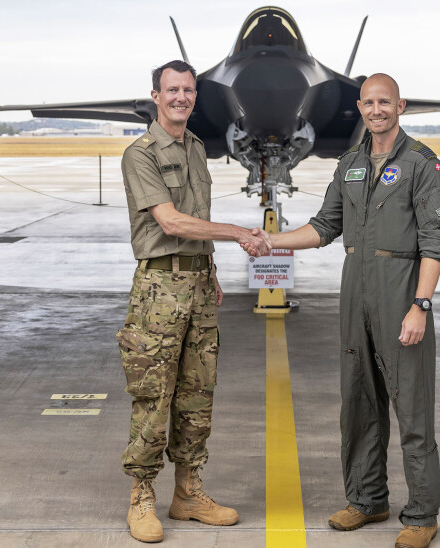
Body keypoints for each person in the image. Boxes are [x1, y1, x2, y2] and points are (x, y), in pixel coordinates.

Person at [257, 73, 440, 548]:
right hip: (355, 293)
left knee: (412, 410)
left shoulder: (423, 165)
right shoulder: (350, 165)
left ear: (400, 106)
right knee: (359, 405)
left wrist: (420, 306)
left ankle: (422, 514)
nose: (377, 110)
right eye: (369, 103)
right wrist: (270, 243)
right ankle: (367, 500)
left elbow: (434, 242)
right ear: (360, 108)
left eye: (385, 102)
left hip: (400, 292)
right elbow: (326, 225)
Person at [118, 59, 270, 544]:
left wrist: (212, 271)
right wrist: (238, 234)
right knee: (153, 396)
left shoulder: (197, 147)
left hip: (200, 287)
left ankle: (188, 492)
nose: (181, 97)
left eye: (188, 90)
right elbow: (172, 222)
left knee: (196, 396)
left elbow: (195, 218)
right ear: (156, 95)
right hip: (159, 291)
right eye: (172, 90)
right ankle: (142, 495)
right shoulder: (140, 153)